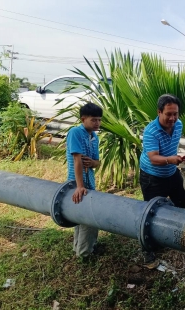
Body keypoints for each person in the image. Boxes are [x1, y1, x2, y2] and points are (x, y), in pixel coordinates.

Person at [139, 94, 185, 209]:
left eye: (175, 114)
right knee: (154, 211)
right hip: (152, 177)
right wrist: (171, 159)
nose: (172, 118)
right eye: (168, 114)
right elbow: (153, 159)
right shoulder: (151, 131)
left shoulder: (179, 124)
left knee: (182, 203)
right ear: (159, 112)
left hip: (171, 172)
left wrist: (176, 159)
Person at [66, 102, 103, 258]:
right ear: (83, 119)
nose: (97, 123)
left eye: (99, 120)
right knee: (89, 218)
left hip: (89, 183)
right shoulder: (75, 132)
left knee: (82, 217)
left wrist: (93, 163)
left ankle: (81, 249)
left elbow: (97, 162)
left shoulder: (94, 137)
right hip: (77, 183)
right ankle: (85, 253)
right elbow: (77, 160)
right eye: (94, 120)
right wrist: (79, 186)